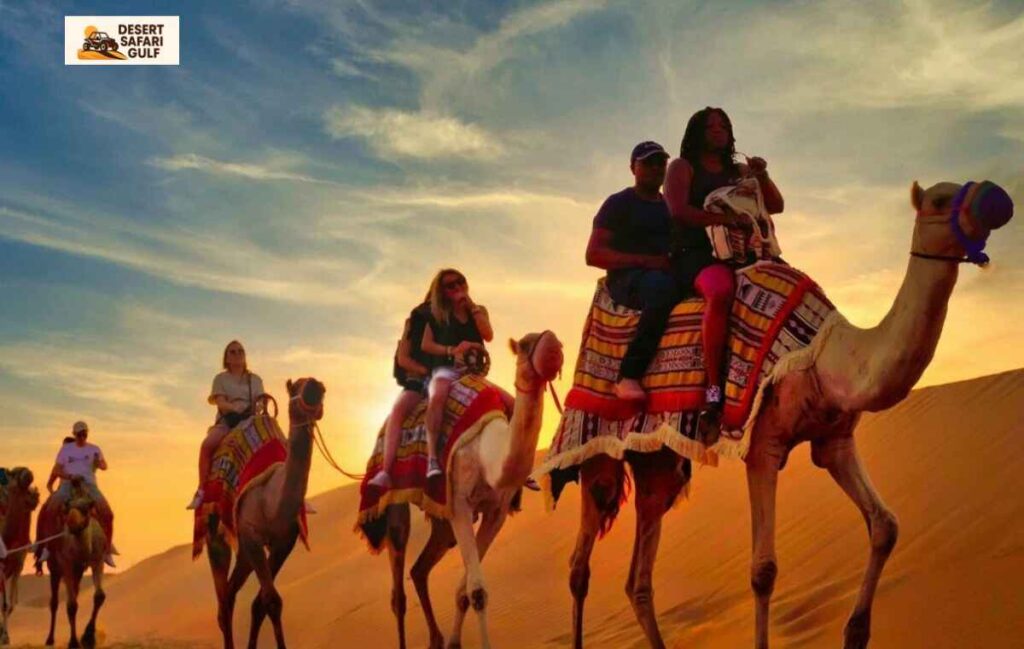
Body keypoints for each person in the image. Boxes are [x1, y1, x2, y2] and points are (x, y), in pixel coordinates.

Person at [663, 107, 785, 439]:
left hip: (746, 250)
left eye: (724, 125)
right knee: (719, 293)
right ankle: (714, 393)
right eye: (710, 126)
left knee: (790, 287)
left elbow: (775, 205)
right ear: (696, 132)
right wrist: (723, 221)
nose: (718, 131)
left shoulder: (740, 169)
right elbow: (677, 210)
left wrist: (762, 176)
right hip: (697, 253)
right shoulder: (681, 167)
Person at [585, 140, 679, 401]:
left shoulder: (671, 206)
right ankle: (629, 374)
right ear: (632, 167)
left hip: (667, 271)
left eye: (661, 162)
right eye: (648, 162)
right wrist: (647, 262)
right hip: (628, 278)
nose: (656, 168)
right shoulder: (618, 204)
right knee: (661, 289)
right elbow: (594, 255)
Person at [419, 269, 497, 479]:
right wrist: (452, 350)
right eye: (450, 285)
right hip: (447, 370)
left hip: (474, 374)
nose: (457, 288)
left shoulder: (479, 311)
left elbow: (488, 335)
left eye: (460, 282)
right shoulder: (437, 315)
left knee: (511, 403)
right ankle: (433, 457)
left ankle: (512, 466)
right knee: (439, 394)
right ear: (442, 291)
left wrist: (472, 307)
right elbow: (425, 345)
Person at [366, 298, 441, 492]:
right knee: (398, 411)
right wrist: (425, 370)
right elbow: (403, 359)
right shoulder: (417, 320)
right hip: (420, 379)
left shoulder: (460, 315)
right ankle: (386, 471)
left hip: (452, 375)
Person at [186, 340, 265, 510]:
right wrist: (235, 408)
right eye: (233, 352)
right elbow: (220, 402)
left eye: (240, 351)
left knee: (280, 442)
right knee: (207, 446)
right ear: (226, 358)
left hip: (250, 420)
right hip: (228, 421)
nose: (237, 354)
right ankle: (201, 490)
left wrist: (255, 408)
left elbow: (260, 401)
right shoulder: (220, 379)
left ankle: (298, 496)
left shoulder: (256, 380)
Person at [42, 421, 116, 567]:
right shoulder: (66, 450)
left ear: (87, 434)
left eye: (84, 434)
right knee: (49, 511)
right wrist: (69, 477)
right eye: (79, 434)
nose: (82, 436)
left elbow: (104, 465)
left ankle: (106, 551)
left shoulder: (94, 449)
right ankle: (47, 548)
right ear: (74, 435)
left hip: (88, 485)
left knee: (108, 514)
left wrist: (99, 463)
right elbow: (56, 470)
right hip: (68, 483)